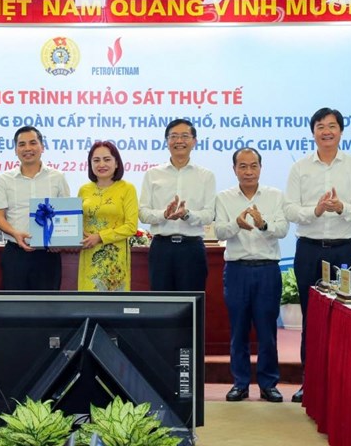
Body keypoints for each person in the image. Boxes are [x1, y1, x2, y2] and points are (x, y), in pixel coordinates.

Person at [284, 107, 351, 403]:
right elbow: (290, 209)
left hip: (344, 251)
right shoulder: (300, 168)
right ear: (313, 132)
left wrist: (342, 207)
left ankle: (343, 384)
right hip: (309, 250)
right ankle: (310, 380)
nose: (326, 131)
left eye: (332, 126)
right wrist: (315, 211)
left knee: (345, 318)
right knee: (312, 318)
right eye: (320, 126)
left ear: (341, 131)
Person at [215, 148, 289, 403]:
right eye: (243, 166)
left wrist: (263, 224)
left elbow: (282, 229)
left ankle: (268, 384)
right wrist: (236, 224)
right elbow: (219, 232)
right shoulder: (224, 198)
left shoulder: (275, 196)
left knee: (267, 331)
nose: (248, 171)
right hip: (237, 270)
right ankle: (240, 383)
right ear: (234, 169)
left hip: (267, 270)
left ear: (260, 167)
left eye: (253, 165)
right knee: (239, 330)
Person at [139, 118, 216, 292]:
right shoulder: (152, 174)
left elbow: (209, 214)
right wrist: (164, 215)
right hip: (161, 248)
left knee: (192, 302)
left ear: (194, 141)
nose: (179, 141)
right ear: (167, 141)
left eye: (185, 136)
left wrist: (187, 214)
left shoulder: (206, 176)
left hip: (192, 248)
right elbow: (143, 212)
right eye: (173, 136)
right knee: (162, 303)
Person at [0, 126, 70, 290]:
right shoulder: (4, 179)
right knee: (15, 303)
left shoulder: (58, 177)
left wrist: (60, 239)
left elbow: (66, 213)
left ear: (42, 147)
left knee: (47, 303)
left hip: (48, 254)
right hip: (15, 253)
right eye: (22, 144)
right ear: (16, 150)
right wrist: (15, 233)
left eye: (33, 143)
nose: (27, 148)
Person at [77, 141, 138, 291]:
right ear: (90, 164)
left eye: (107, 159)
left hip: (114, 257)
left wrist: (100, 237)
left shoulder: (127, 188)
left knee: (113, 302)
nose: (101, 164)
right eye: (96, 160)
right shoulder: (84, 190)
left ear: (116, 163)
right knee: (88, 300)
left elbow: (131, 227)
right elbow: (76, 222)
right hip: (89, 253)